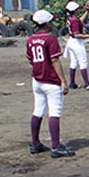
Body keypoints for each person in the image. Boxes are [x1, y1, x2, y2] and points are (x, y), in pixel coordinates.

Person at [27, 9, 75, 158]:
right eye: (52, 21)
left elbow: (30, 59)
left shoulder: (31, 39)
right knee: (54, 112)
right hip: (51, 81)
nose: (53, 24)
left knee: (38, 111)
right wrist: (63, 81)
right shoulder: (50, 39)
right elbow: (54, 60)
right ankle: (55, 147)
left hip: (37, 80)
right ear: (47, 23)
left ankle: (35, 143)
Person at [63, 1, 89, 90]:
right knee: (83, 62)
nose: (79, 10)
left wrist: (87, 12)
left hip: (71, 42)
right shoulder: (74, 21)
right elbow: (76, 34)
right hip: (76, 42)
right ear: (74, 11)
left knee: (74, 62)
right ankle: (87, 84)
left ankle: (72, 83)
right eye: (78, 9)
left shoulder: (72, 18)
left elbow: (80, 21)